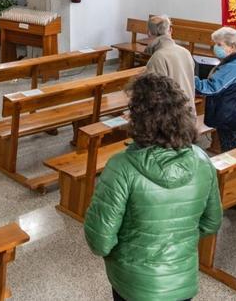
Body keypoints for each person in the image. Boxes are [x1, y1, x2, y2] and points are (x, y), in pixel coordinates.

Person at [85, 74, 222, 301]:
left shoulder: (122, 166)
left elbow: (100, 241)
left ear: (138, 117)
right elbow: (211, 222)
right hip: (180, 282)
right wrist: (177, 240)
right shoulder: (201, 160)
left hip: (134, 284)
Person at [195, 26, 236, 152]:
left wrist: (190, 78)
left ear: (232, 47)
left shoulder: (234, 66)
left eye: (219, 44)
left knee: (230, 153)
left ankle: (233, 171)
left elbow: (211, 88)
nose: (215, 47)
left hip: (230, 117)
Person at [143, 15, 196, 104]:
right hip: (188, 110)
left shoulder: (158, 57)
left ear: (148, 32)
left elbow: (155, 94)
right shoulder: (186, 52)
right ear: (170, 30)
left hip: (171, 114)